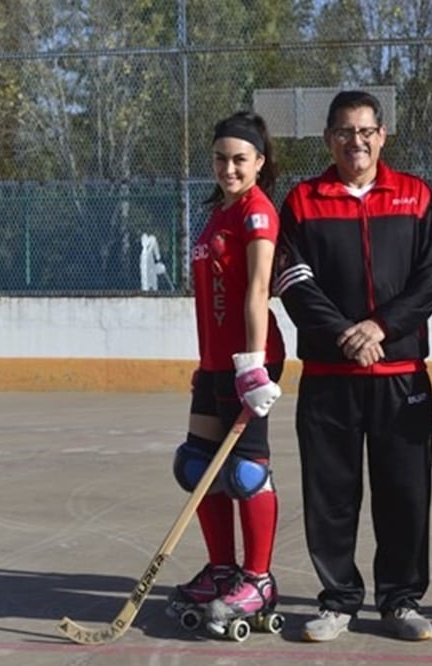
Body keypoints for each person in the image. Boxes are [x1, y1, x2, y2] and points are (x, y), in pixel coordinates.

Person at [273, 90, 432, 642]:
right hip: (329, 379)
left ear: (382, 136)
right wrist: (346, 334)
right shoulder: (302, 201)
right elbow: (294, 281)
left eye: (366, 131)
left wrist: (381, 327)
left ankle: (400, 600)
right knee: (331, 495)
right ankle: (338, 601)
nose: (357, 141)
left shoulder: (416, 197)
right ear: (329, 139)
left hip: (400, 378)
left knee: (404, 493)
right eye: (345, 132)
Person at [166, 111, 286, 635]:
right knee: (198, 466)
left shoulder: (256, 213)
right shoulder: (217, 213)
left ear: (259, 162)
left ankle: (257, 580)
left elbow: (259, 289)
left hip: (249, 361)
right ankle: (221, 571)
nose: (229, 169)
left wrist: (253, 364)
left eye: (240, 159)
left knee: (245, 473)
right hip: (214, 362)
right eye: (221, 158)